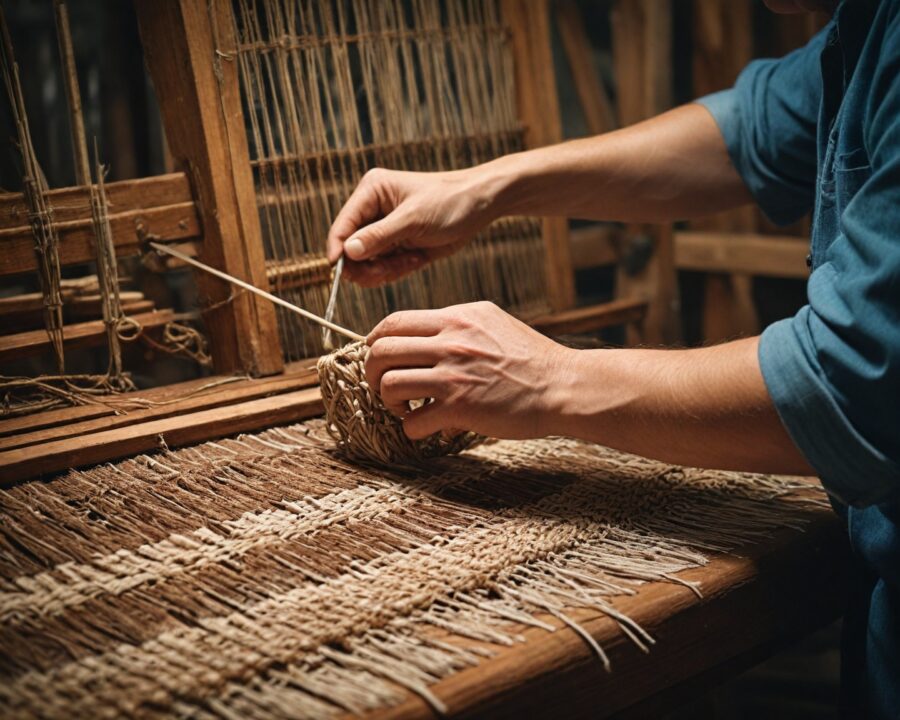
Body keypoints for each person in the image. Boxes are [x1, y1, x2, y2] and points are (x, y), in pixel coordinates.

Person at [326, 0, 898, 715]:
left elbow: (855, 387)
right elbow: (752, 129)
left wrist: (545, 380)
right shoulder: (867, 24)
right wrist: (484, 187)